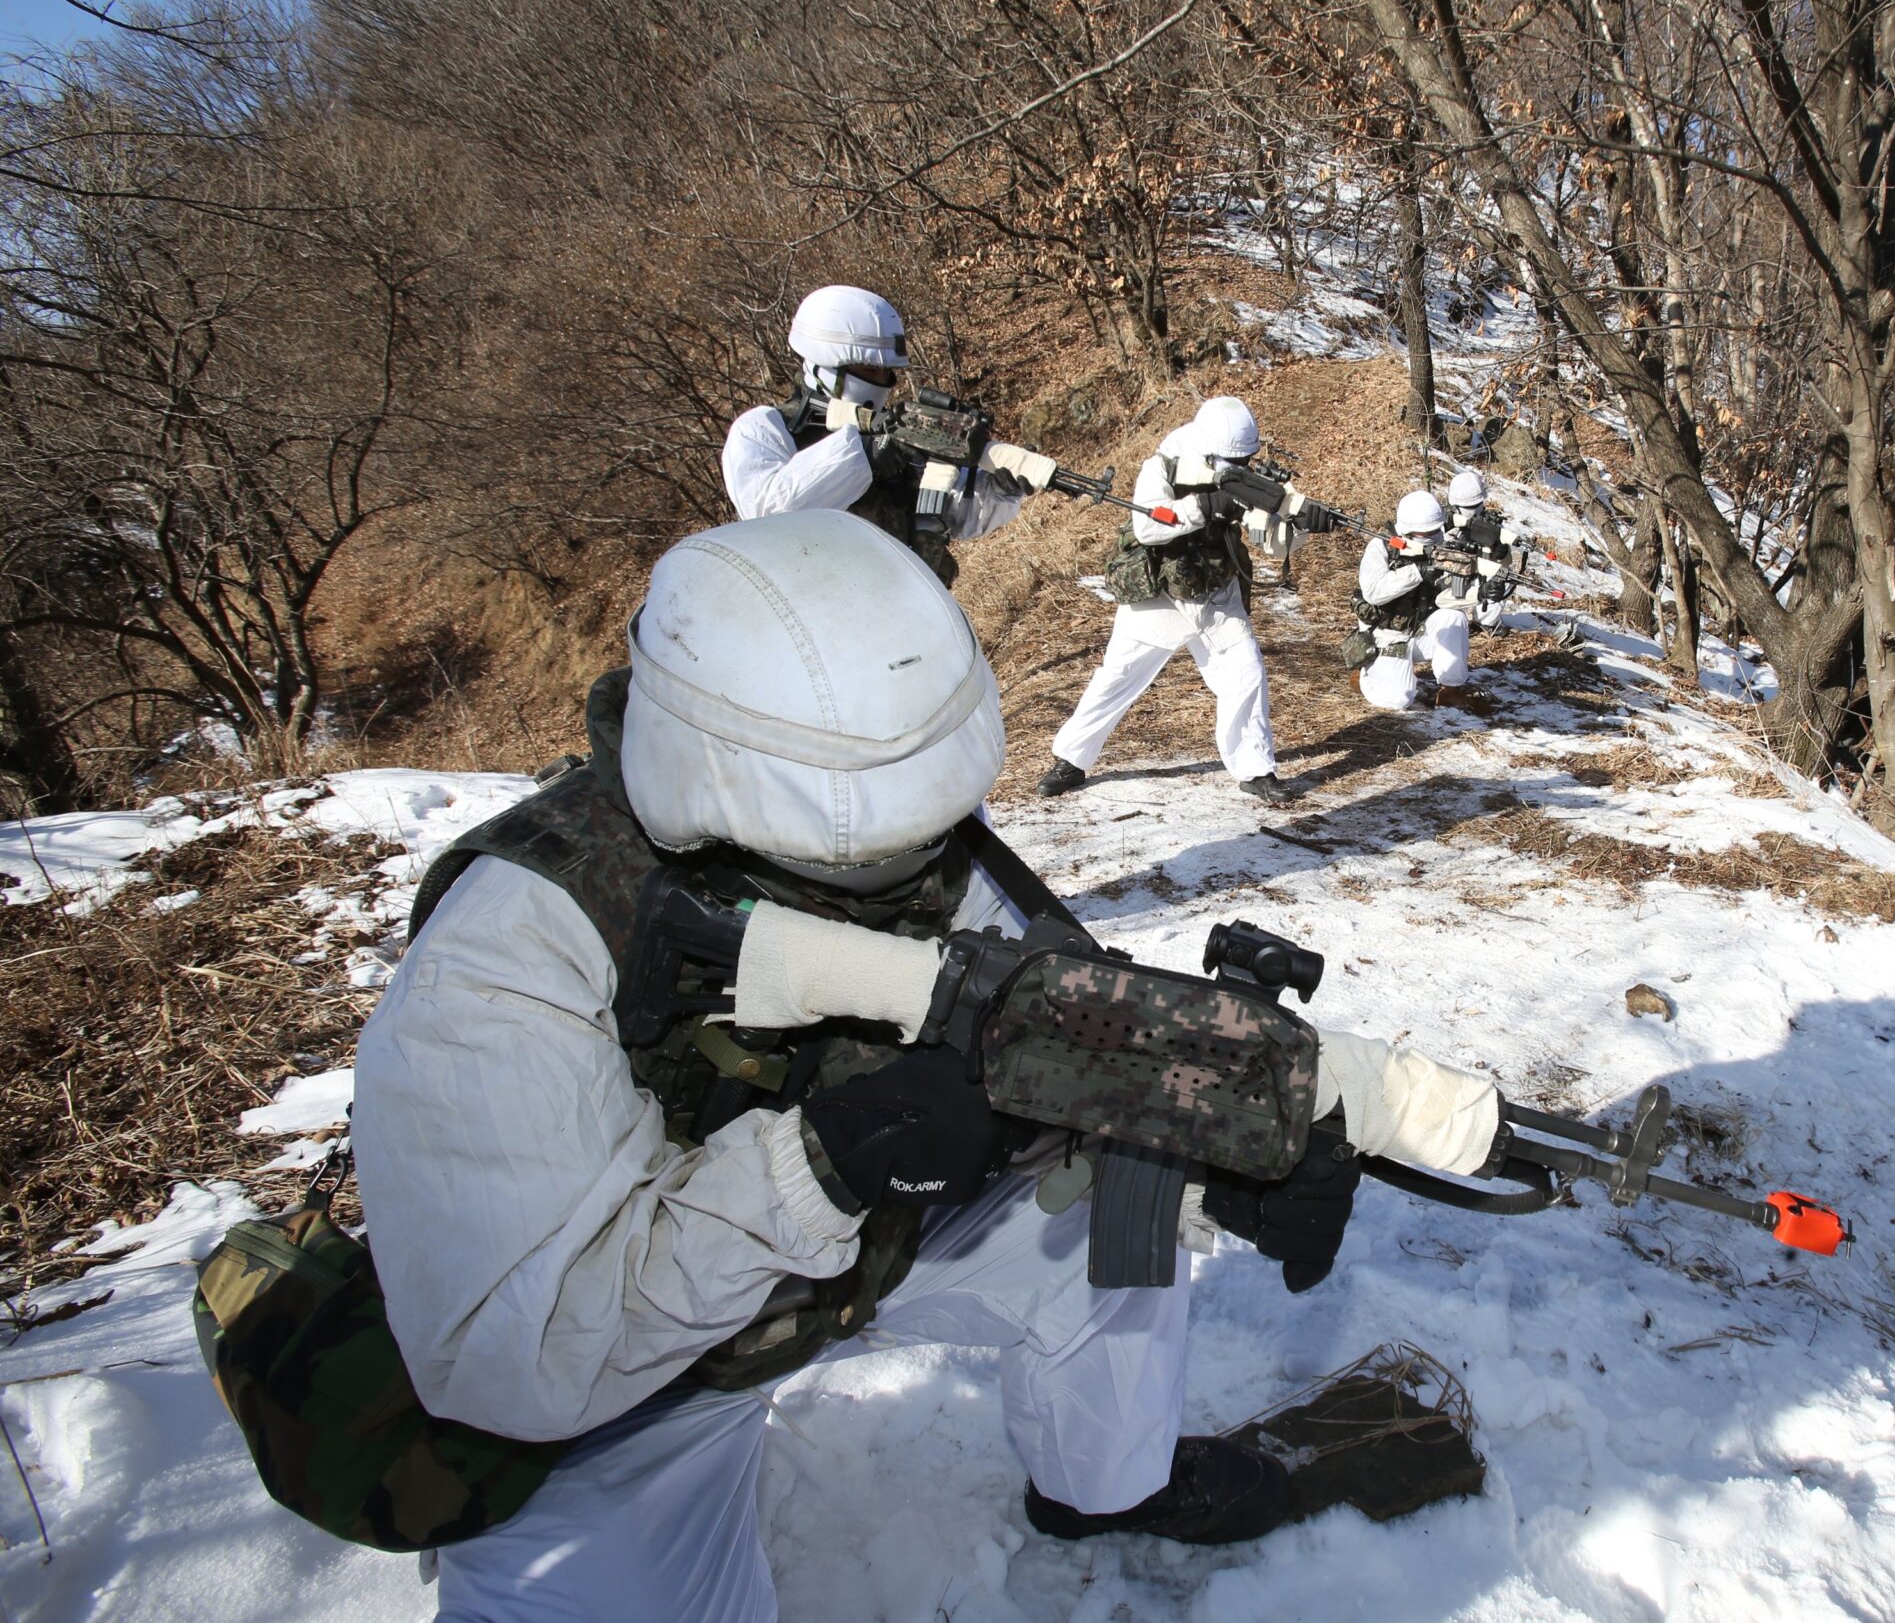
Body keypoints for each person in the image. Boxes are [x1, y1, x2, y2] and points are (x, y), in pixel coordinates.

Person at [351, 512, 1497, 1622]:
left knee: (1111, 1247)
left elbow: (1055, 1029)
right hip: (620, 1371)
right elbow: (509, 1361)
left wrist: (1204, 1147)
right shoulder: (507, 958)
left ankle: (1104, 1490)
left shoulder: (896, 840)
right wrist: (832, 1164)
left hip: (849, 1250)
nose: (921, 871)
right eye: (881, 852)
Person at [1034, 396, 1290, 804]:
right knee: (1117, 677)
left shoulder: (1243, 470)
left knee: (1246, 673)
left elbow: (1274, 543)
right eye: (1231, 461)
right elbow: (1148, 526)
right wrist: (1207, 505)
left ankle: (1256, 769)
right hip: (1159, 595)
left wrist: (1295, 521)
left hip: (1215, 594)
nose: (1239, 469)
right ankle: (1071, 760)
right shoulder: (1164, 465)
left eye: (1244, 461)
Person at [722, 285, 1026, 584]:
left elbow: (958, 514)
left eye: (885, 373)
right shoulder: (763, 429)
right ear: (825, 364)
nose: (880, 382)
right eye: (868, 370)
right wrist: (866, 454)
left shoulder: (894, 432)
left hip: (906, 606)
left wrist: (1000, 489)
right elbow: (770, 516)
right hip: (814, 616)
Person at [1354, 490, 1481, 712]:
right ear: (1406, 529)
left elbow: (1450, 597)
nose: (1431, 538)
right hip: (1386, 637)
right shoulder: (1382, 547)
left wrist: (1482, 592)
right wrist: (1417, 571)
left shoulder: (1442, 546)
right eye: (1424, 534)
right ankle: (1364, 674)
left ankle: (1450, 690)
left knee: (1454, 618)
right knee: (1400, 700)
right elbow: (1373, 592)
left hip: (1420, 630)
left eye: (1434, 531)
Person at [1442, 469, 1530, 630]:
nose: (1474, 510)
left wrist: (1500, 551)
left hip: (1481, 585)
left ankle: (1484, 621)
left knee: (1503, 576)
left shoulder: (1492, 526)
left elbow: (1504, 564)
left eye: (1477, 505)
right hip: (1451, 586)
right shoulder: (1445, 524)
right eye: (1468, 507)